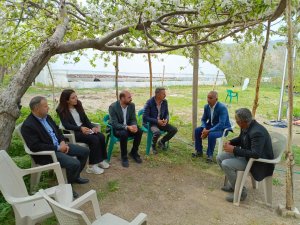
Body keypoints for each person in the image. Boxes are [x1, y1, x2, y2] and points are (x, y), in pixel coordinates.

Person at [21, 96, 90, 186]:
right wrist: (58, 148)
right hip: (48, 153)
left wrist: (62, 141)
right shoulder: (28, 125)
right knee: (74, 163)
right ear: (36, 109)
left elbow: (57, 130)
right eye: (45, 106)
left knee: (85, 151)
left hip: (59, 145)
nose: (48, 108)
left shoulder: (47, 117)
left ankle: (74, 177)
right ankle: (67, 187)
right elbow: (35, 146)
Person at [216, 108, 274, 202]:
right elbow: (241, 138)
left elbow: (255, 154)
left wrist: (234, 149)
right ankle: (234, 185)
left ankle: (241, 192)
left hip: (256, 162)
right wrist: (231, 142)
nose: (236, 122)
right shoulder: (246, 126)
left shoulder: (257, 132)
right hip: (247, 156)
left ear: (244, 121)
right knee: (219, 157)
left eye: (237, 121)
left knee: (226, 164)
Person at [56, 89, 109, 175]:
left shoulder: (78, 104)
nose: (76, 99)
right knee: (94, 139)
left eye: (76, 96)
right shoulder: (61, 110)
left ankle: (100, 160)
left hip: (84, 129)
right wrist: (80, 128)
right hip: (74, 132)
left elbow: (85, 119)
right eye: (73, 98)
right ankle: (91, 166)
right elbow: (66, 125)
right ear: (67, 100)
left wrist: (92, 127)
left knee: (101, 136)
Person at [193, 91, 232, 163]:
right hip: (211, 126)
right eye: (207, 97)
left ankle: (209, 155)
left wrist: (208, 131)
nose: (208, 100)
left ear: (216, 99)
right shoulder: (206, 107)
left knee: (211, 135)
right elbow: (203, 119)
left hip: (222, 129)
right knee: (197, 130)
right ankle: (199, 151)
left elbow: (221, 124)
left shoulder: (222, 108)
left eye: (210, 98)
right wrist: (204, 128)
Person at [108, 90, 143, 167]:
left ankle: (134, 152)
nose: (131, 99)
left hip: (128, 127)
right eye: (129, 97)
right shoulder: (113, 107)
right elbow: (115, 124)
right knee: (124, 134)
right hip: (117, 129)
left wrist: (134, 126)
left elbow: (133, 119)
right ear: (122, 98)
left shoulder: (131, 105)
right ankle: (124, 157)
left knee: (139, 131)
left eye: (131, 97)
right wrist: (127, 127)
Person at [143, 87, 178, 154]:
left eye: (165, 94)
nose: (165, 95)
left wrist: (166, 120)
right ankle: (153, 146)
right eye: (163, 94)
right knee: (157, 132)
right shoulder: (149, 102)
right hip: (151, 123)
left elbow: (166, 114)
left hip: (160, 122)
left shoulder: (164, 102)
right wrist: (157, 121)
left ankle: (161, 141)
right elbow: (145, 117)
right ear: (157, 94)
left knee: (174, 129)